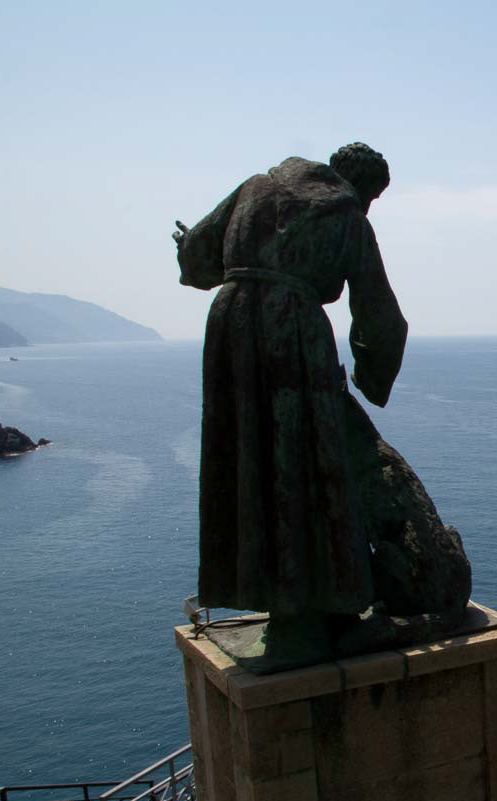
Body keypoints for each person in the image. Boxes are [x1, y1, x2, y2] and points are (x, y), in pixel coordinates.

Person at [174, 143, 410, 661]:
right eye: (373, 198)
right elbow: (379, 313)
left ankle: (287, 598)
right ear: (364, 188)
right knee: (304, 462)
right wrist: (372, 375)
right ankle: (305, 613)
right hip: (293, 332)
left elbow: (197, 258)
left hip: (231, 328)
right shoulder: (349, 217)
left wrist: (189, 246)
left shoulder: (256, 187)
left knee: (248, 457)